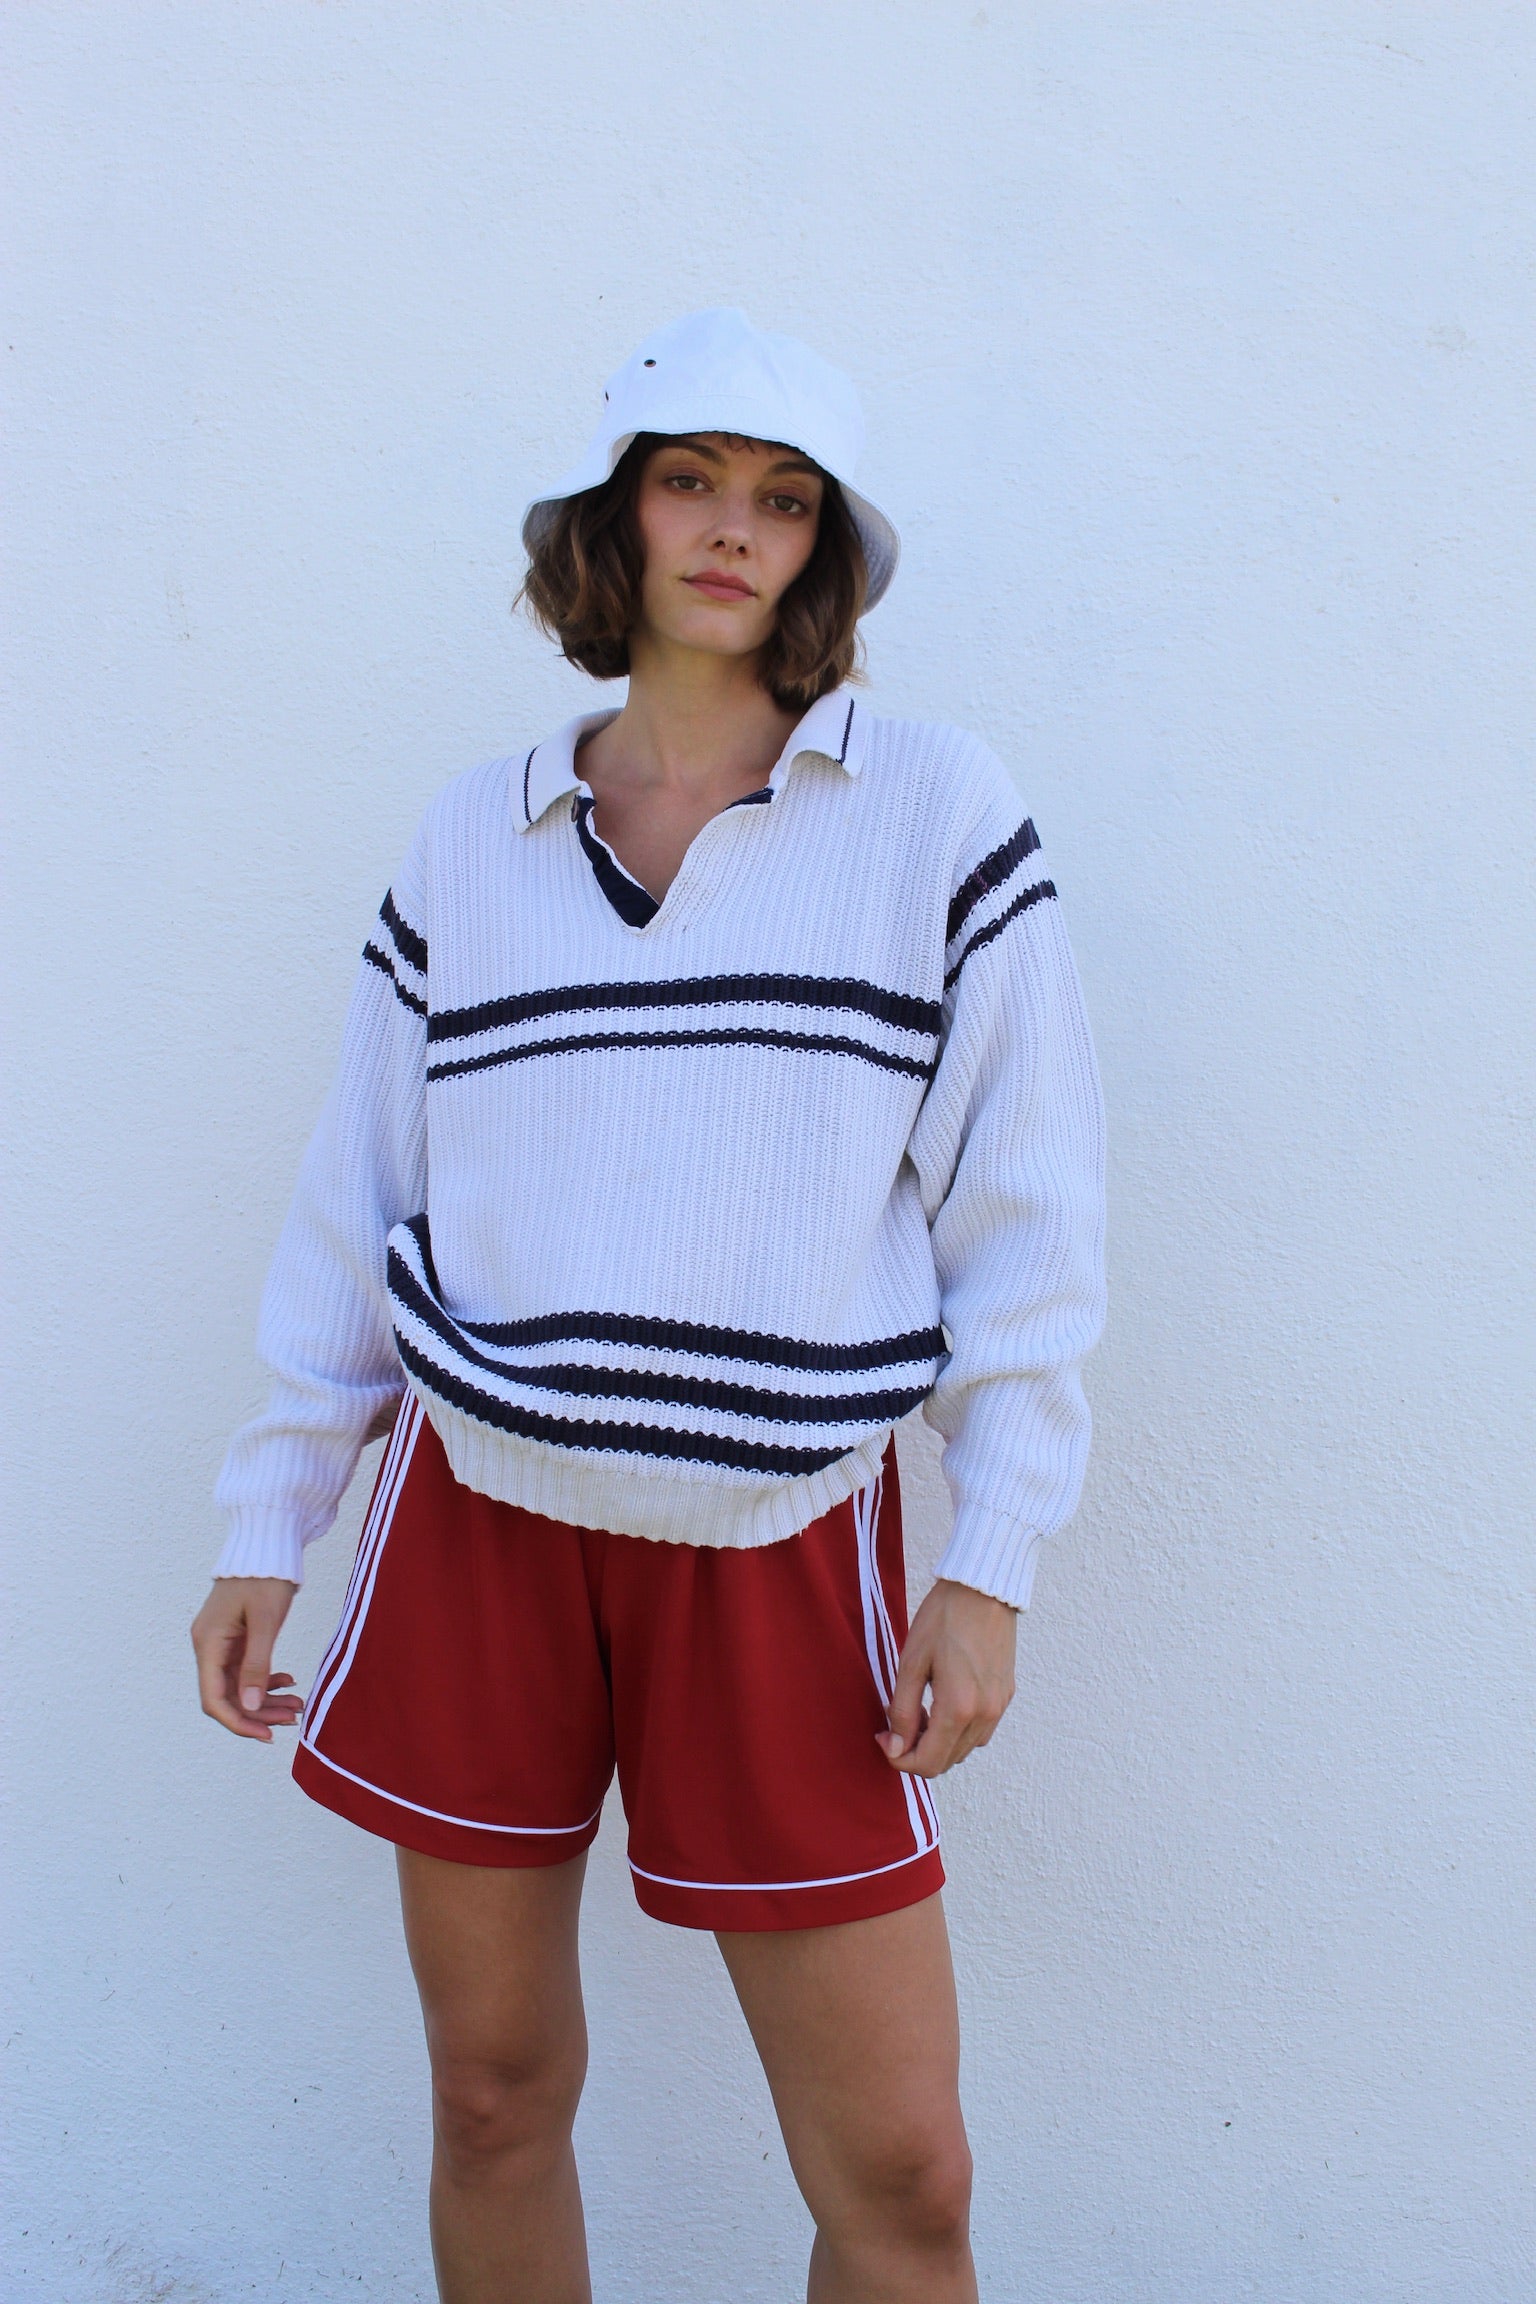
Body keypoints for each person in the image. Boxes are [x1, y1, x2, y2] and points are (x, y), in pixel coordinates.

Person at [191, 306, 1106, 2304]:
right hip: (480, 1516)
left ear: (827, 547)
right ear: (615, 518)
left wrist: (993, 1561)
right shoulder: (474, 834)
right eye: (689, 481)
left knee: (904, 2177)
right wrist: (273, 1513)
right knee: (493, 2095)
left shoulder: (936, 813)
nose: (732, 530)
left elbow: (1031, 1220)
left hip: (779, 1538)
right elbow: (359, 1195)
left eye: (784, 499)